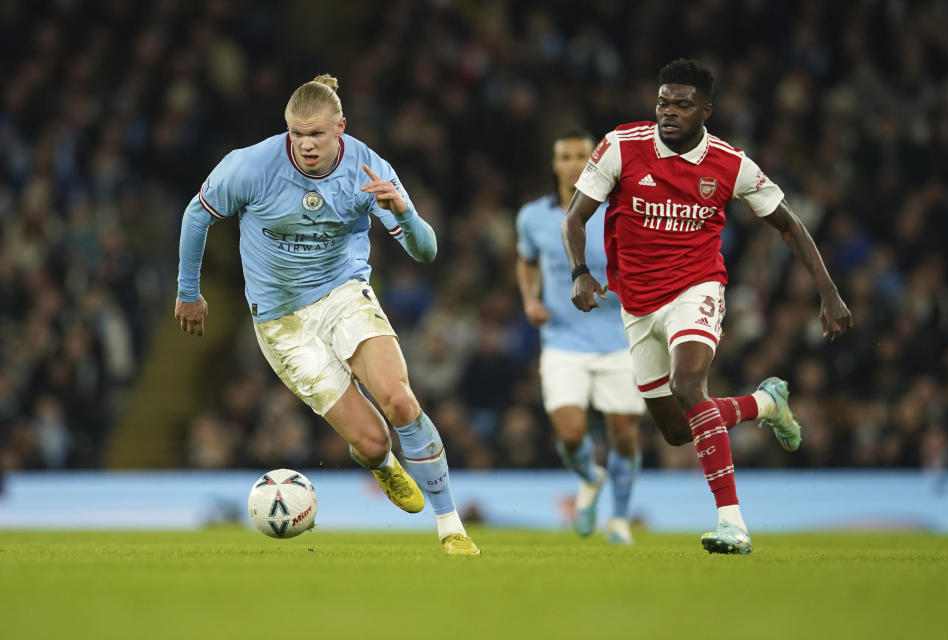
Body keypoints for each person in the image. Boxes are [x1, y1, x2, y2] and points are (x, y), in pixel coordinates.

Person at [175, 74, 479, 555]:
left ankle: (451, 527)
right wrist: (188, 292)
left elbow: (427, 252)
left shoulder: (367, 167)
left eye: (316, 134)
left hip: (343, 294)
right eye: (296, 134)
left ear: (341, 127)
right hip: (280, 322)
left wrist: (403, 212)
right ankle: (381, 466)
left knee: (400, 400)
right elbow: (197, 215)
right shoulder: (250, 166)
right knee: (375, 442)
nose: (305, 145)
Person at [561, 59, 853, 554]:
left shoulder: (730, 164)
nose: (668, 112)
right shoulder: (621, 146)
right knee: (676, 429)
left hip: (697, 288)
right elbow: (575, 219)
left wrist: (828, 290)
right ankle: (764, 404)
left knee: (689, 385)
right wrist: (579, 272)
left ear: (706, 111)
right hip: (636, 303)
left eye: (681, 104)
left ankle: (732, 522)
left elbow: (789, 225)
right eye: (662, 102)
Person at [516, 129, 644, 545]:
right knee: (571, 435)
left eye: (581, 155)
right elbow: (526, 261)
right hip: (562, 337)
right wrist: (530, 300)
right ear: (555, 164)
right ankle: (590, 479)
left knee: (623, 432)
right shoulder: (532, 217)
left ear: (595, 161)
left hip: (619, 338)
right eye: (565, 155)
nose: (573, 163)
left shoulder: (621, 211)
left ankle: (620, 520)